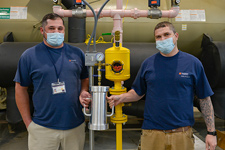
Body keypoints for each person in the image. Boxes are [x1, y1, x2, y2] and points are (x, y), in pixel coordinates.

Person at [107, 21, 217, 150]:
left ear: (176, 36)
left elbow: (204, 98)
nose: (162, 39)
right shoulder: (148, 64)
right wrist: (121, 97)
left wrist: (211, 132)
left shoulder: (193, 63)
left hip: (181, 134)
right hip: (152, 134)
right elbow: (137, 93)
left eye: (166, 34)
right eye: (158, 37)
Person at [14, 13, 91, 150]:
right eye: (51, 28)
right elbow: (20, 89)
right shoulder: (29, 56)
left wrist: (83, 91)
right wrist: (28, 124)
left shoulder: (76, 53)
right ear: (42, 31)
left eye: (60, 29)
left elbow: (85, 78)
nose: (57, 32)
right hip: (42, 128)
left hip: (75, 126)